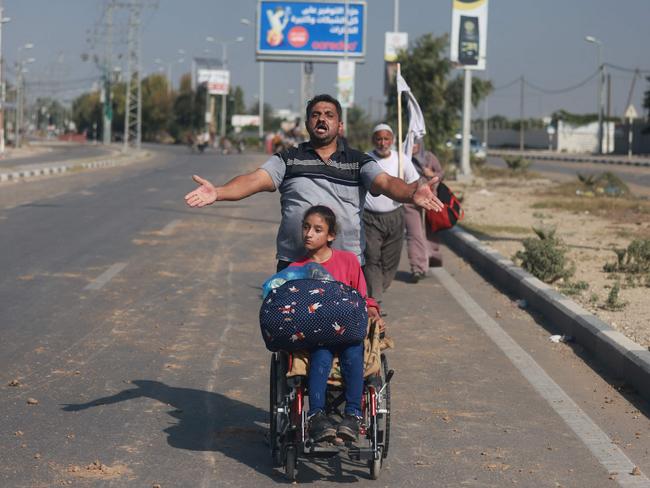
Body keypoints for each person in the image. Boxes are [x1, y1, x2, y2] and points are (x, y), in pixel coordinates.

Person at [184, 94, 444, 271]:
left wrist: (411, 192)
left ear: (339, 125)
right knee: (288, 338)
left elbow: (386, 182)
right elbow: (253, 180)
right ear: (307, 123)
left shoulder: (358, 161)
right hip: (294, 264)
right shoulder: (288, 159)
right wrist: (218, 192)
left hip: (345, 265)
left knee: (348, 342)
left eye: (329, 115)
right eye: (316, 114)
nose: (322, 119)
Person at [289, 205, 381, 442]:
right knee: (321, 353)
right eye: (306, 227)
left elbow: (362, 297)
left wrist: (372, 310)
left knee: (353, 351)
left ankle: (352, 415)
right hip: (318, 334)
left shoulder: (348, 262)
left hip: (349, 330)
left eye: (317, 229)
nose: (309, 234)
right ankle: (317, 415)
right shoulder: (296, 269)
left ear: (330, 235)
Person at [362, 124, 420, 303]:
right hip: (369, 218)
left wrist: (410, 192)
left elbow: (414, 183)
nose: (382, 142)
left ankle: (379, 288)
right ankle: (374, 298)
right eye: (379, 139)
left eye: (386, 139)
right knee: (371, 257)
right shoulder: (365, 160)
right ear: (373, 140)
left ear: (392, 141)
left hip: (395, 216)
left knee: (390, 261)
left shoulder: (401, 159)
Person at [404, 141, 445, 281]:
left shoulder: (428, 157)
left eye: (415, 143)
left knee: (429, 232)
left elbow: (441, 174)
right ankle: (418, 268)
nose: (413, 146)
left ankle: (432, 256)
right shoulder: (402, 158)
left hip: (429, 200)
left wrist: (431, 173)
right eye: (410, 143)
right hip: (409, 201)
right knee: (414, 234)